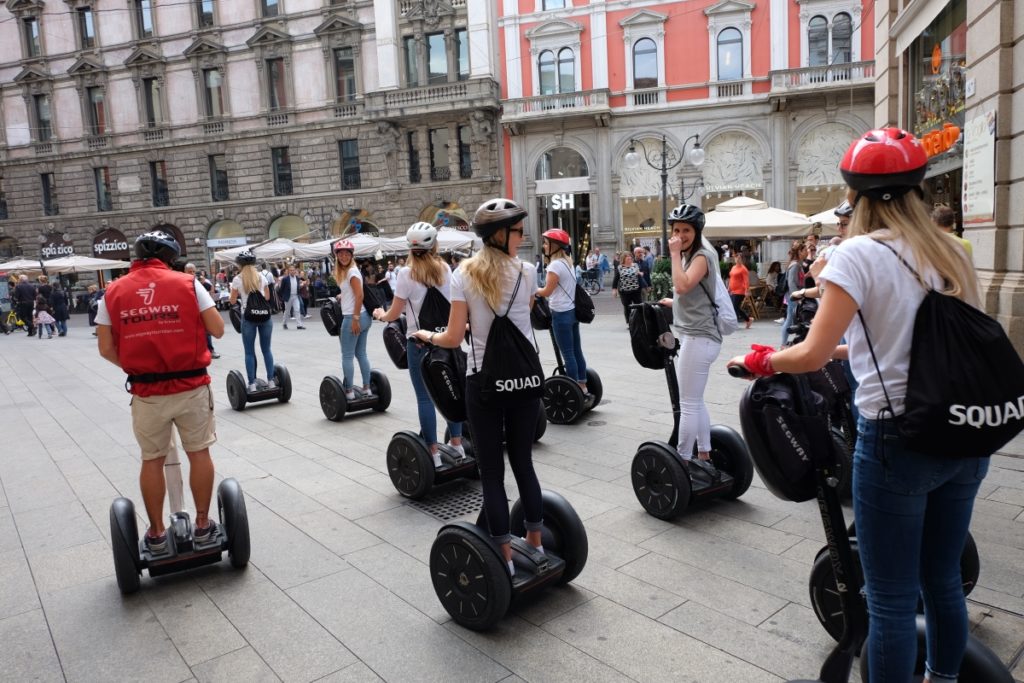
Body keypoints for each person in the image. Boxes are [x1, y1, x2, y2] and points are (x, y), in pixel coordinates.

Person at [728, 127, 987, 683]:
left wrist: (763, 363)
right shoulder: (953, 253)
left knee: (891, 599)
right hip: (964, 434)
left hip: (897, 439)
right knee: (942, 582)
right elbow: (917, 340)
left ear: (860, 198)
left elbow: (812, 351)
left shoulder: (857, 255)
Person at [412, 198, 544, 577]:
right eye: (518, 231)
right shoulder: (529, 271)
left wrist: (426, 335)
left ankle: (502, 557)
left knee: (491, 474)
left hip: (484, 383)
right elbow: (519, 318)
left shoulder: (462, 275)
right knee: (524, 464)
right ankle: (535, 545)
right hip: (525, 379)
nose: (522, 237)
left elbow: (454, 338)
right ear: (501, 235)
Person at [96, 231, 224, 554]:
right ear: (169, 258)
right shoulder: (188, 283)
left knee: (151, 460)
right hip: (192, 385)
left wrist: (134, 364)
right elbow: (218, 329)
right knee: (199, 453)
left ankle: (155, 534)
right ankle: (203, 524)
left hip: (147, 390)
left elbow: (105, 348)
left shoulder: (112, 291)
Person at [372, 223, 464, 467]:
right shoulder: (445, 268)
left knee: (425, 399)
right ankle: (458, 446)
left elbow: (394, 314)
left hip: (420, 344)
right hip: (446, 341)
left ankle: (433, 454)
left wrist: (380, 314)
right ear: (434, 245)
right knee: (452, 394)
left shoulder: (405, 273)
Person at [656, 204, 724, 481]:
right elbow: (689, 293)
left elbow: (683, 285)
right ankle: (705, 453)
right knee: (695, 400)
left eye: (686, 230)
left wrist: (673, 254)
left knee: (688, 404)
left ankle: (682, 461)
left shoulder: (701, 256)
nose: (680, 235)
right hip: (697, 334)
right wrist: (674, 303)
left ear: (696, 232)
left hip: (699, 337)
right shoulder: (692, 256)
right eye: (676, 230)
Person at [536, 228, 593, 403]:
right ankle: (582, 386)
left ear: (554, 245)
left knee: (568, 353)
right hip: (572, 312)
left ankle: (574, 388)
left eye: (546, 243)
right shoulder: (568, 262)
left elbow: (547, 291)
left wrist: (534, 290)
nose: (544, 246)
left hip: (560, 314)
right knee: (576, 350)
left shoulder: (554, 265)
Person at [229, 250, 276, 392]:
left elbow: (232, 301)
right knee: (266, 349)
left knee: (249, 352)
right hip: (264, 316)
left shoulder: (237, 279)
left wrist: (239, 298)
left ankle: (252, 384)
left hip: (248, 317)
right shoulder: (262, 276)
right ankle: (271, 381)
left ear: (240, 264)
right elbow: (267, 297)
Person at [333, 239, 373, 401]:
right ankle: (367, 389)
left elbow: (360, 295)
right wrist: (343, 295)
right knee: (361, 354)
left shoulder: (351, 272)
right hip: (363, 317)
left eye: (347, 253)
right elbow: (354, 292)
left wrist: (355, 319)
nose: (343, 256)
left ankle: (348, 391)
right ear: (337, 256)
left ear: (351, 255)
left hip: (353, 317)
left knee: (347, 356)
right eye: (341, 253)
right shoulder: (349, 272)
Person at [185, 262, 220, 358]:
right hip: (190, 311)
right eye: (189, 271)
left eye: (193, 271)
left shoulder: (199, 282)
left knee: (207, 332)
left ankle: (210, 350)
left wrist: (203, 282)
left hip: (201, 310)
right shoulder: (182, 282)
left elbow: (210, 290)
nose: (191, 273)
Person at [779, 242, 807, 346]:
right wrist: (797, 297)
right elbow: (791, 283)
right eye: (805, 250)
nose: (807, 252)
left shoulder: (797, 264)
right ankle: (783, 343)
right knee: (790, 319)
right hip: (793, 296)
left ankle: (784, 343)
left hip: (793, 295)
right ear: (800, 252)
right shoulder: (795, 265)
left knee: (790, 319)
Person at [611, 250, 643, 324]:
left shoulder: (635, 265)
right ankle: (629, 322)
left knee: (639, 306)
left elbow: (639, 275)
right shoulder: (620, 268)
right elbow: (616, 279)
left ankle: (640, 321)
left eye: (630, 257)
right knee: (627, 307)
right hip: (624, 291)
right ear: (624, 259)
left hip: (636, 290)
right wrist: (614, 290)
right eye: (627, 258)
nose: (629, 259)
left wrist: (640, 274)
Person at [728, 254, 753, 329]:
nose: (737, 260)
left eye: (739, 258)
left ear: (742, 259)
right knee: (735, 307)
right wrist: (729, 288)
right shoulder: (733, 267)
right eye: (736, 258)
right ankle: (748, 319)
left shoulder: (743, 269)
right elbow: (731, 278)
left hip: (740, 290)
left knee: (735, 307)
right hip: (733, 290)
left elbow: (746, 281)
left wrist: (747, 290)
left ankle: (735, 323)